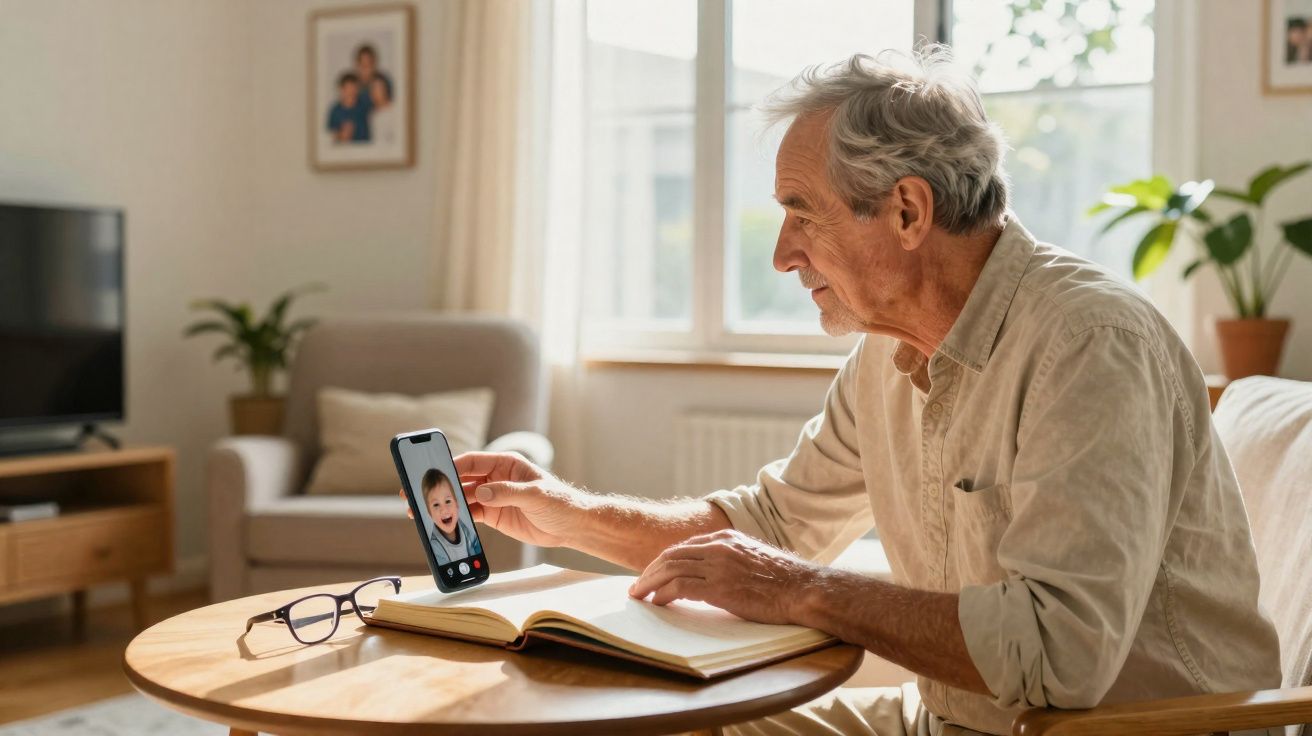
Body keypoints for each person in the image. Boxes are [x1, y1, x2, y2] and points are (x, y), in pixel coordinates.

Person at [440, 50, 1282, 735]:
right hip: (957, 722)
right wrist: (564, 513)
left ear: (909, 213)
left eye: (802, 212)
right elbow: (767, 528)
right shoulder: (886, 356)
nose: (780, 254)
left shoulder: (1090, 345)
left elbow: (1059, 653)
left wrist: (799, 588)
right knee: (653, 723)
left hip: (1124, 730)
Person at [422, 467, 481, 565]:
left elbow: (477, 553)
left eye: (448, 501)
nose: (444, 510)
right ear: (429, 513)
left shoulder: (468, 532)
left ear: (457, 504)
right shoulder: (435, 546)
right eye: (436, 505)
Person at [326, 72, 368, 143]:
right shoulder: (335, 111)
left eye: (354, 88)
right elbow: (331, 137)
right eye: (348, 88)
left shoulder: (364, 106)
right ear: (341, 89)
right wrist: (341, 135)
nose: (351, 92)